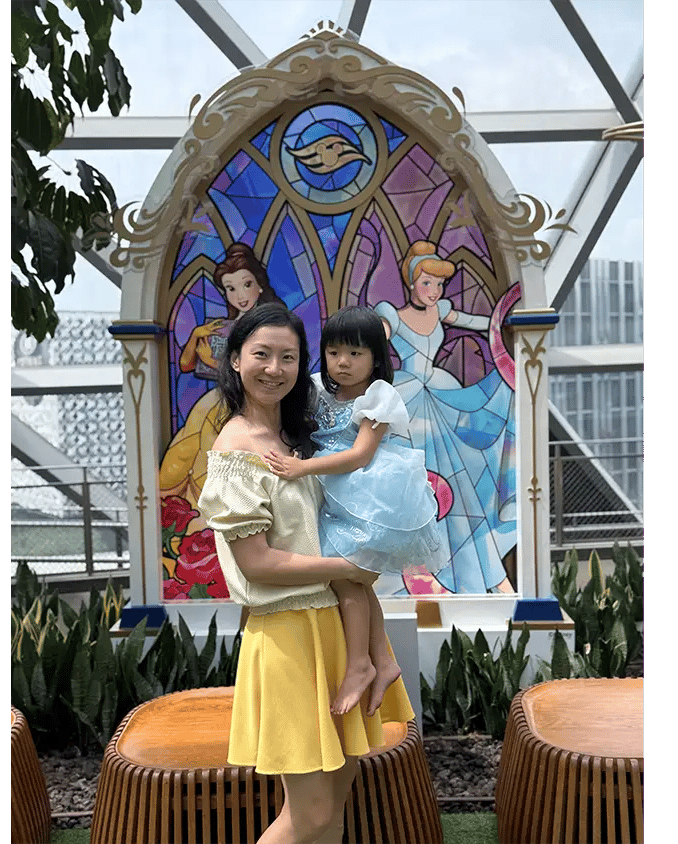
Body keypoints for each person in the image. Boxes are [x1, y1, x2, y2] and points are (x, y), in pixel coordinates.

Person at [197, 302, 416, 844]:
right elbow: (258, 564)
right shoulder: (236, 449)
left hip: (339, 634)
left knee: (336, 801)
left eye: (288, 357)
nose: (275, 368)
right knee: (311, 816)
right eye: (261, 355)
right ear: (236, 360)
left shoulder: (300, 439)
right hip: (289, 636)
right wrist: (353, 567)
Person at [262, 306, 445, 717]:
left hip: (369, 498)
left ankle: (360, 663)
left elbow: (361, 455)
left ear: (376, 359)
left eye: (355, 354)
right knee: (355, 581)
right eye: (334, 353)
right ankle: (383, 661)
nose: (342, 363)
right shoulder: (315, 390)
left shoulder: (379, 396)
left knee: (346, 578)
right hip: (334, 496)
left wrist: (302, 466)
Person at [374, 240, 518, 593]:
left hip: (441, 394)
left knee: (460, 480)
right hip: (409, 402)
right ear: (411, 282)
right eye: (427, 283)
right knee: (414, 485)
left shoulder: (441, 311)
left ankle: (469, 566)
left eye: (439, 285)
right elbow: (374, 337)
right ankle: (406, 575)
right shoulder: (390, 313)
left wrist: (505, 323)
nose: (434, 291)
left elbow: (478, 322)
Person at [161, 242, 285, 501]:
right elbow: (185, 365)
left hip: (251, 404)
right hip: (220, 399)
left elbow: (264, 373)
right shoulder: (224, 326)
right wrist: (196, 336)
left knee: (209, 445)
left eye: (246, 284)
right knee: (187, 447)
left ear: (259, 285)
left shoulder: (272, 325)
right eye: (231, 288)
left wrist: (214, 363)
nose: (240, 294)